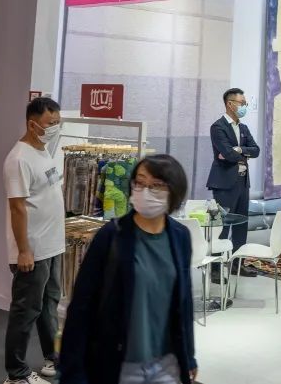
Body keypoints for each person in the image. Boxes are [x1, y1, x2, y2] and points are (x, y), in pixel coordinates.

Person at [60, 155, 197, 384]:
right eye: (140, 183)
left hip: (167, 365)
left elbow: (184, 302)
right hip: (121, 366)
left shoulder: (180, 236)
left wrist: (189, 356)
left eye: (156, 185)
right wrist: (72, 372)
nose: (145, 191)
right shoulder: (111, 236)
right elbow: (82, 307)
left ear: (173, 191)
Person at [3, 97, 64, 384]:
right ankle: (16, 375)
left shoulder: (43, 151)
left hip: (53, 245)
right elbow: (17, 208)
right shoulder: (19, 159)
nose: (55, 128)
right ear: (32, 124)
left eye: (57, 122)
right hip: (33, 250)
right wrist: (24, 250)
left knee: (49, 305)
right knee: (25, 312)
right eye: (50, 123)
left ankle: (53, 358)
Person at [207, 88, 260, 275]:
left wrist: (239, 149)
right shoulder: (218, 127)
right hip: (224, 184)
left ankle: (238, 265)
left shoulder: (243, 128)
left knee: (241, 225)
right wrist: (238, 152)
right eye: (242, 103)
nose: (244, 106)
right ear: (230, 104)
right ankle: (215, 269)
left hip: (242, 182)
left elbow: (256, 150)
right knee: (221, 226)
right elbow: (227, 154)